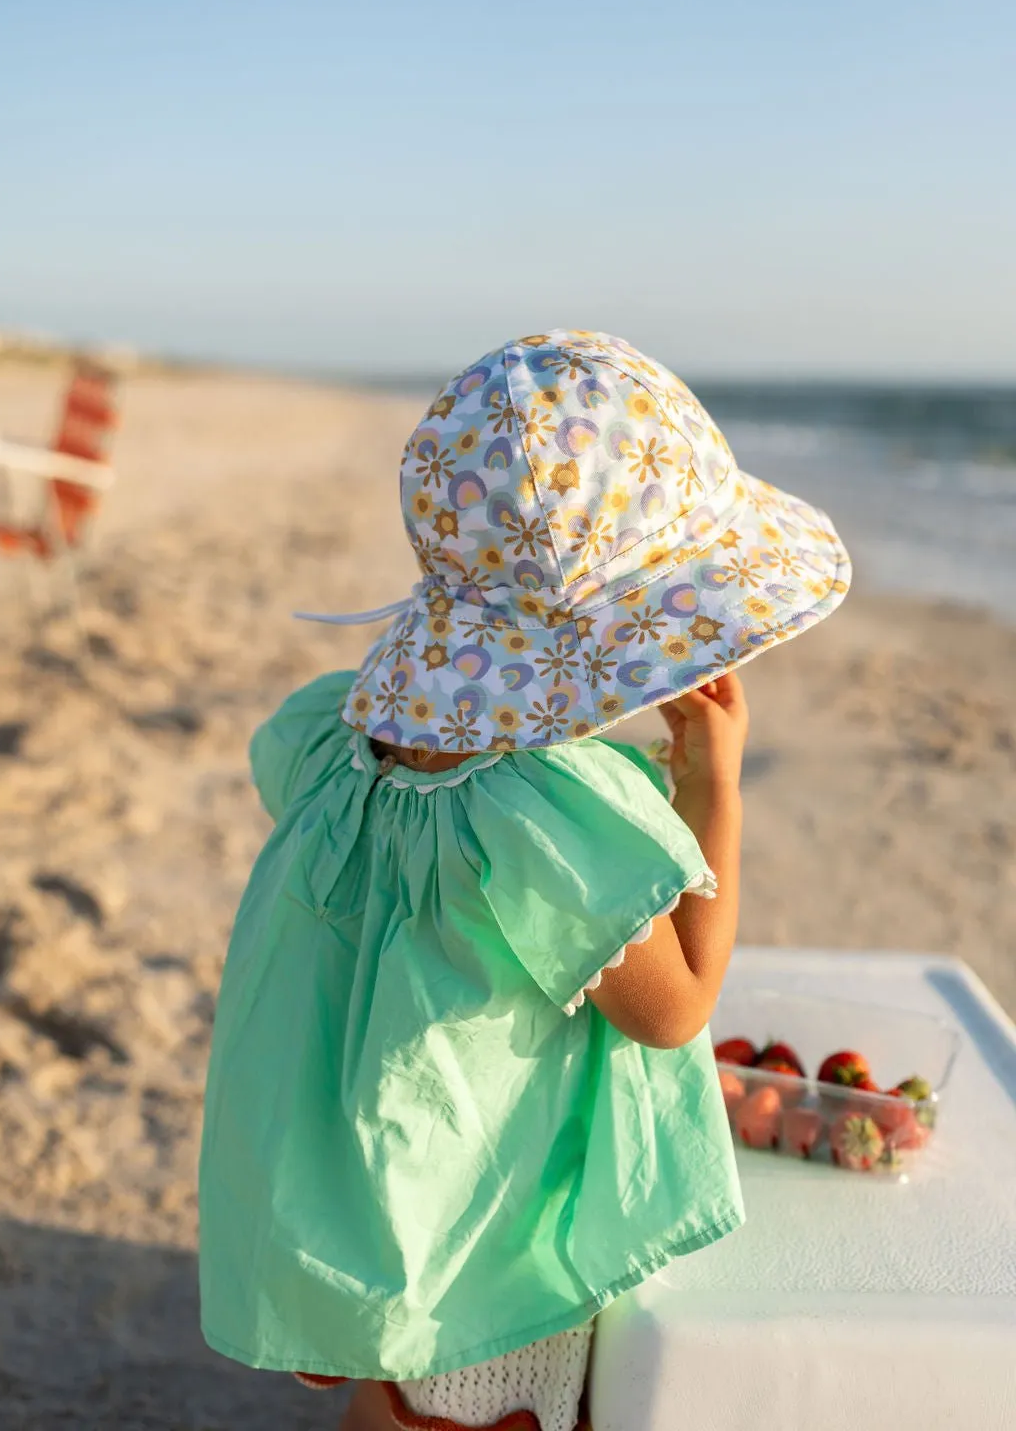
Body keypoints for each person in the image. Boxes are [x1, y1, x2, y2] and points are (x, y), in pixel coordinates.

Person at [198, 330, 851, 1431]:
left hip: (368, 1176)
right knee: (478, 1403)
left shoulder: (332, 731)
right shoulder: (542, 811)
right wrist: (715, 792)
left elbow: (360, 849)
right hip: (483, 1207)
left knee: (401, 1399)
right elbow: (676, 1004)